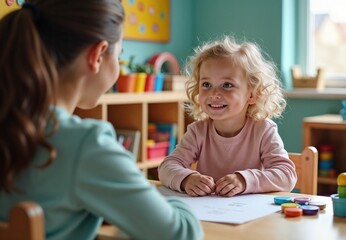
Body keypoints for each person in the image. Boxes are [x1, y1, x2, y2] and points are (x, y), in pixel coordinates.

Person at [0, 1, 203, 239]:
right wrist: (170, 201)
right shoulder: (85, 143)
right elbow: (180, 234)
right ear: (97, 55)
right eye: (120, 55)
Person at [158, 36, 297, 197]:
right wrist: (187, 179)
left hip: (251, 215)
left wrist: (244, 180)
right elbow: (167, 167)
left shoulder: (263, 130)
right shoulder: (198, 131)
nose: (214, 93)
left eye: (227, 85)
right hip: (208, 215)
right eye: (206, 84)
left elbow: (287, 175)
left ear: (252, 94)